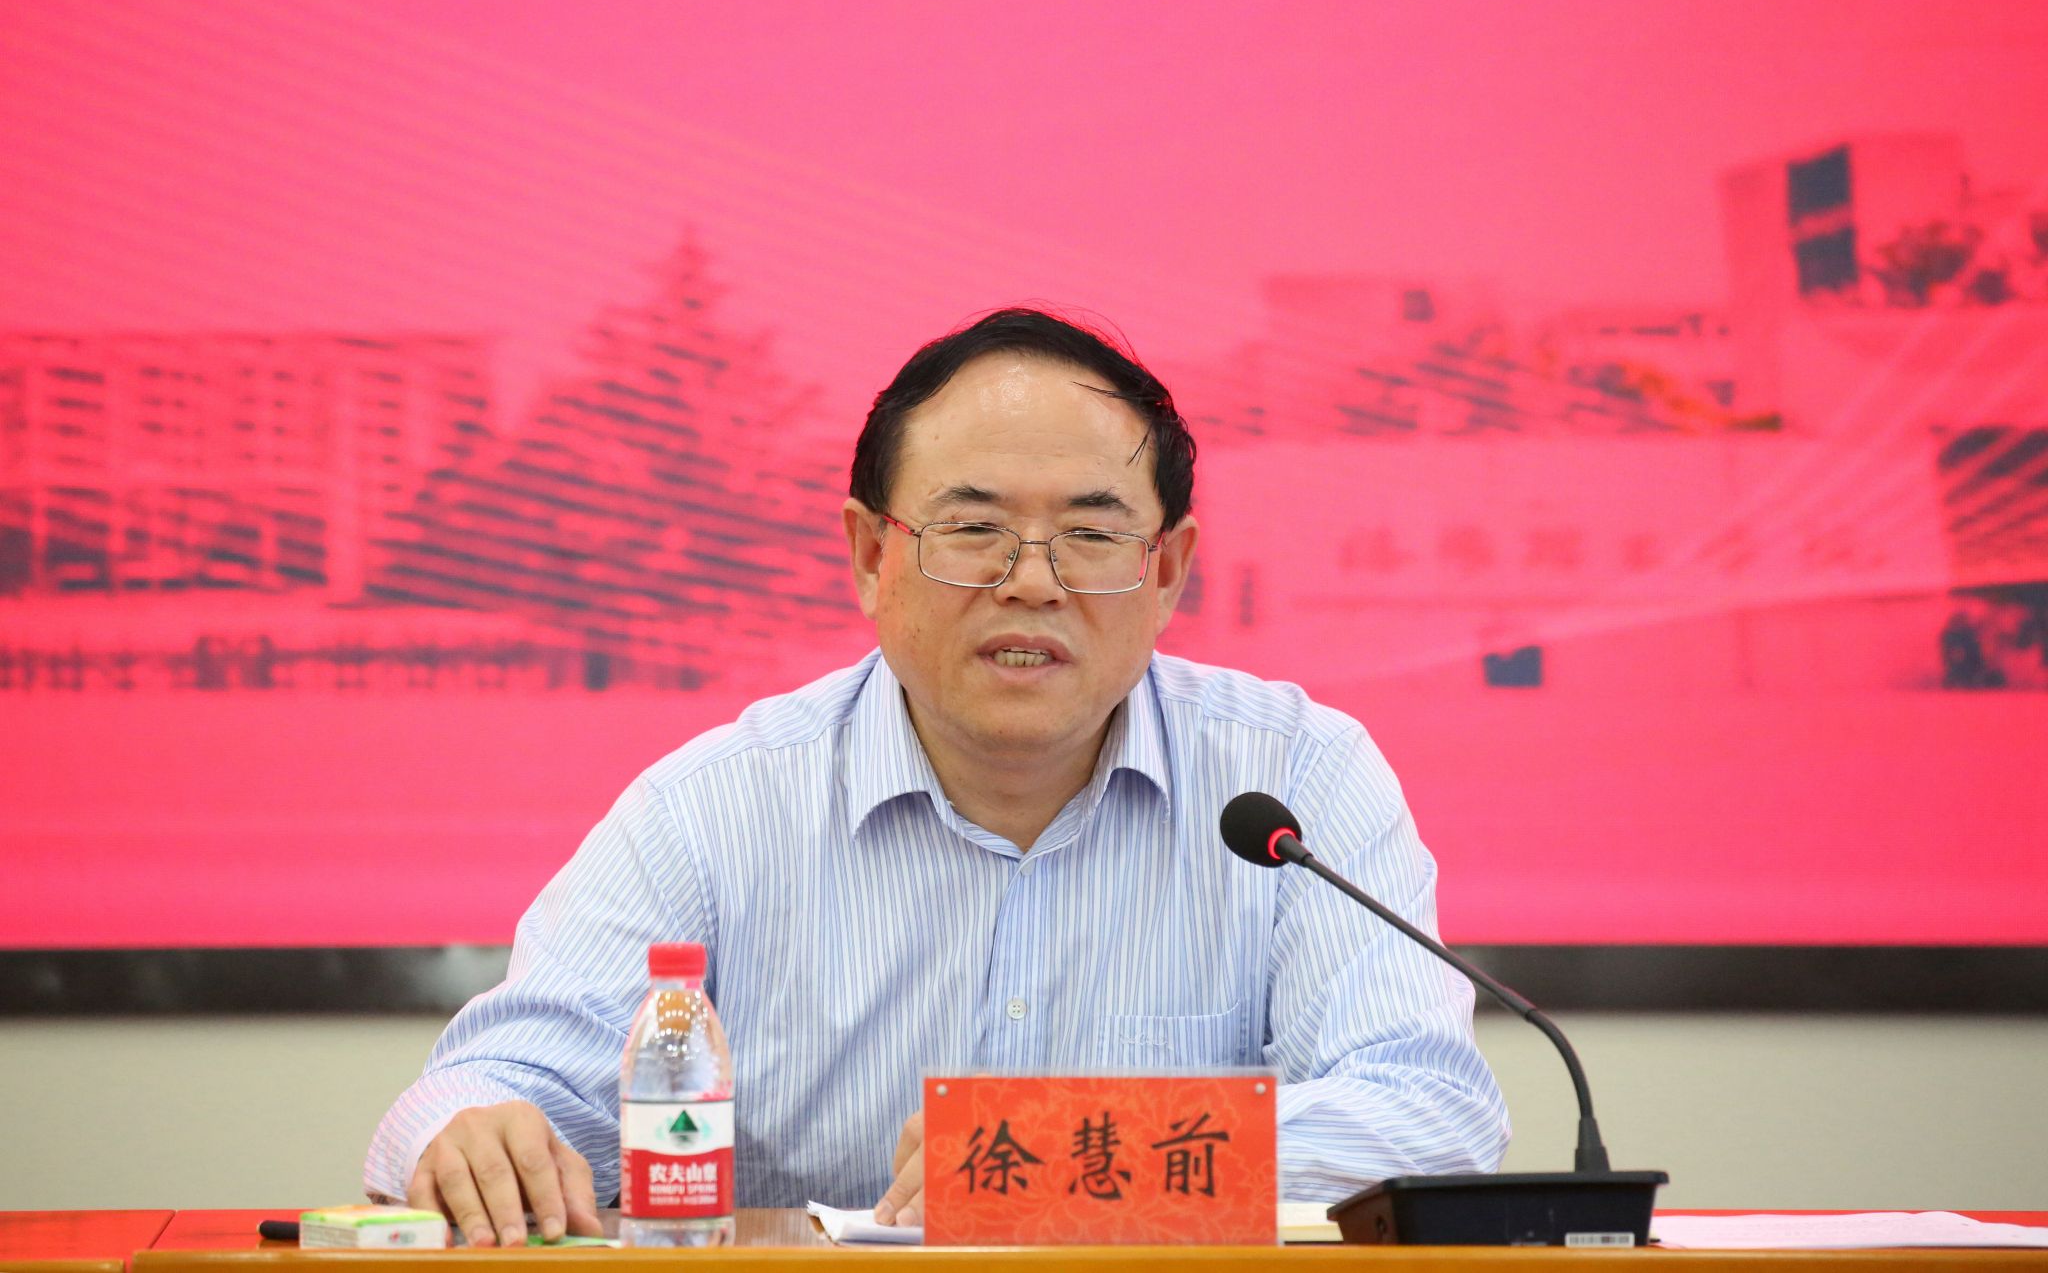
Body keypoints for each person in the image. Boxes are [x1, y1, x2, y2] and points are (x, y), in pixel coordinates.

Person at [365, 307, 1509, 1245]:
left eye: (1090, 537)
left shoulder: (1296, 780)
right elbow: (496, 1086)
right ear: (871, 555)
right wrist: (472, 1131)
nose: (1031, 582)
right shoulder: (713, 811)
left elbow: (1429, 1116)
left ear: (1166, 570)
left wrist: (1072, 1154)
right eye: (973, 531)